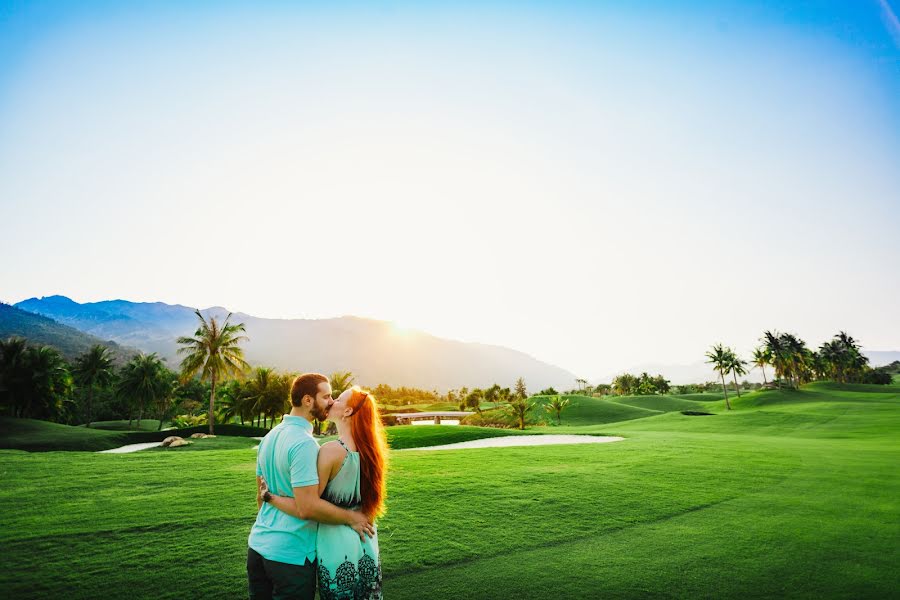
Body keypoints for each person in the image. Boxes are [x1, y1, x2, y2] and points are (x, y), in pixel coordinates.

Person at [248, 373, 375, 600]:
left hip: (258, 547)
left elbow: (260, 495)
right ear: (308, 401)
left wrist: (269, 500)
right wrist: (351, 517)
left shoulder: (269, 437)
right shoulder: (305, 445)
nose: (330, 401)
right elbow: (307, 507)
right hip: (291, 554)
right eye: (326, 396)